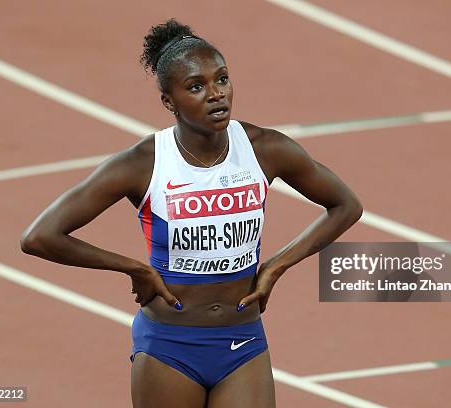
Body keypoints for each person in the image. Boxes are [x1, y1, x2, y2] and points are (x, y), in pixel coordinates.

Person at [20, 18, 362, 408]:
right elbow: (40, 236)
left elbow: (345, 205)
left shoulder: (264, 150)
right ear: (169, 102)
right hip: (170, 347)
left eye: (222, 79)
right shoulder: (144, 163)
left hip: (243, 340)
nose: (216, 94)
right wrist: (135, 268)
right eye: (196, 86)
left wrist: (276, 266)